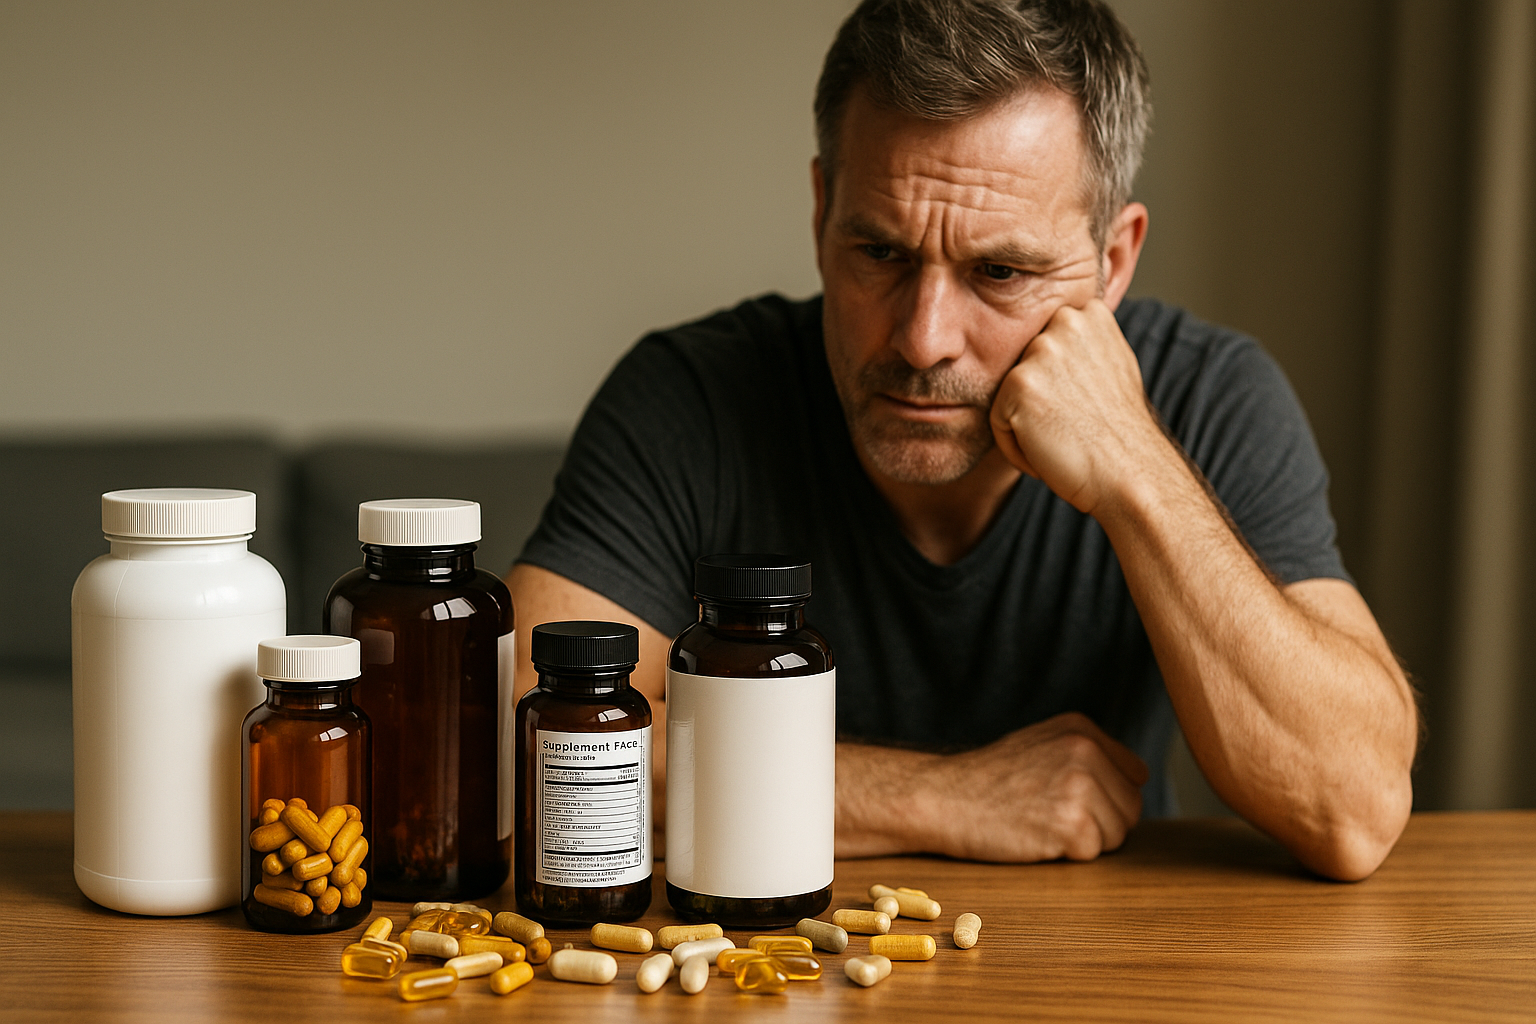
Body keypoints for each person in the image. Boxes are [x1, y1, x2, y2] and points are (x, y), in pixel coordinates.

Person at [508, 0, 1418, 881]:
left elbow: (1354, 809)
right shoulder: (690, 398)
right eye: (881, 254)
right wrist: (947, 798)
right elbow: (515, 746)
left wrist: (1136, 467)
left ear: (1113, 264)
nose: (922, 337)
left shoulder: (1212, 395)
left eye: (1000, 271)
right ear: (823, 212)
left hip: (1119, 966)